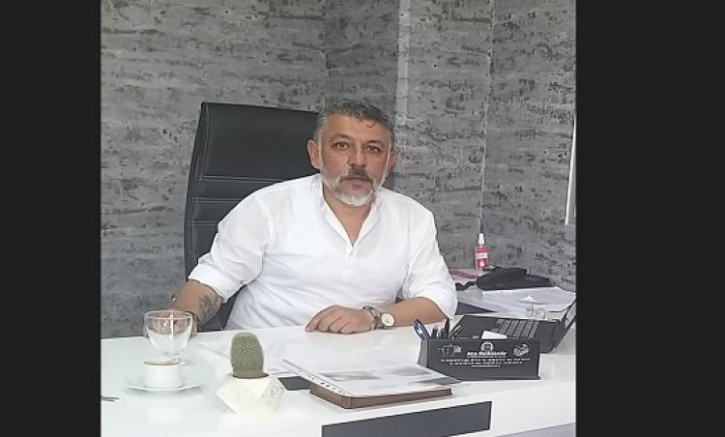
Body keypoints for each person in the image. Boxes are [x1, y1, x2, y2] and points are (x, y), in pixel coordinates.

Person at [167, 98, 457, 335]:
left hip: (364, 363)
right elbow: (212, 281)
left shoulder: (412, 217)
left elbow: (440, 298)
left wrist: (374, 317)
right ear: (315, 154)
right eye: (342, 146)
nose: (358, 160)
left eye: (373, 149)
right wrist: (182, 318)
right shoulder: (267, 207)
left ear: (389, 162)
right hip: (264, 362)